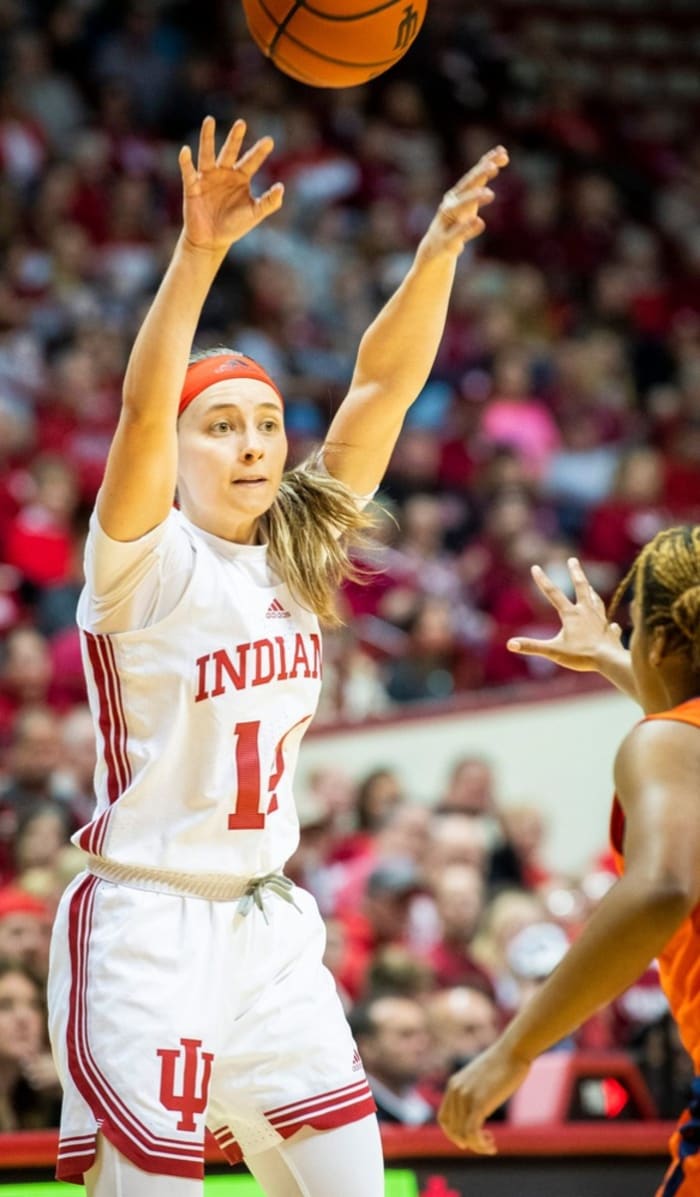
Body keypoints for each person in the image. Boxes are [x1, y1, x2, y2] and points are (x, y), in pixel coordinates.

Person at [46, 113, 508, 1197]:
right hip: (149, 919)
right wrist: (200, 252)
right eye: (222, 427)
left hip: (267, 920)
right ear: (184, 450)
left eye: (265, 423)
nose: (251, 443)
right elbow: (139, 410)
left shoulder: (300, 547)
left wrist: (434, 256)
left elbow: (379, 390)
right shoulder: (142, 563)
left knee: (350, 1183)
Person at [438, 535, 700, 1197]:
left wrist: (515, 1048)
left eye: (633, 631)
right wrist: (614, 656)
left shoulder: (667, 742)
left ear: (662, 643)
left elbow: (662, 887)